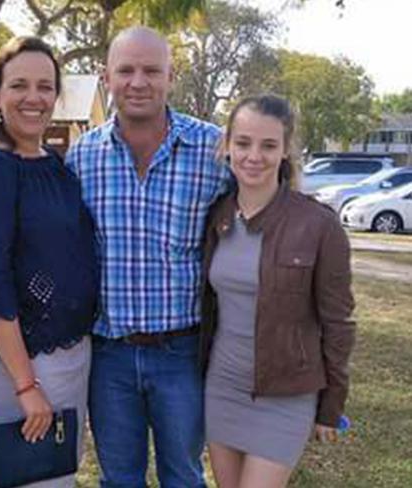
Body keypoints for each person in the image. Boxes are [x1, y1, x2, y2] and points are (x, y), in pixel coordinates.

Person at [65, 26, 228, 487]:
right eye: (127, 70)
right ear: (107, 77)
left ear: (171, 76)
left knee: (184, 476)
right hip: (109, 354)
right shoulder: (82, 158)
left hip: (182, 352)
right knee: (119, 479)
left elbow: (265, 210)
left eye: (152, 70)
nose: (139, 82)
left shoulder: (214, 150)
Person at [0, 36, 98, 487]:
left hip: (72, 355)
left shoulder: (56, 165)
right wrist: (25, 384)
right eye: (19, 85)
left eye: (45, 86)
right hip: (22, 364)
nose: (34, 97)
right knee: (28, 479)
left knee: (57, 475)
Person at [200, 94, 356, 488]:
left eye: (268, 145)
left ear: (286, 150)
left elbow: (339, 324)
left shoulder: (318, 225)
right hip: (223, 388)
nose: (254, 156)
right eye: (243, 143)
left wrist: (331, 405)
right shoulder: (216, 215)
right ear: (228, 146)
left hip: (285, 396)